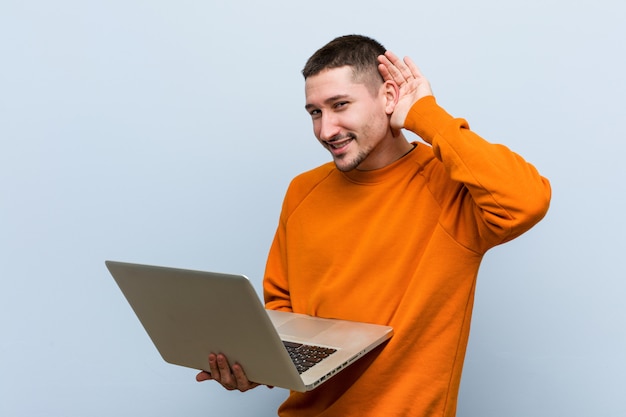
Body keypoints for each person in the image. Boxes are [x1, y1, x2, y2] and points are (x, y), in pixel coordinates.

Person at [196, 34, 551, 417]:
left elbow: (527, 201)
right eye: (314, 112)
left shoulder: (449, 187)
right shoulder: (302, 191)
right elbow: (283, 310)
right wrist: (257, 365)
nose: (326, 130)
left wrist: (426, 115)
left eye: (340, 105)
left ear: (388, 97)